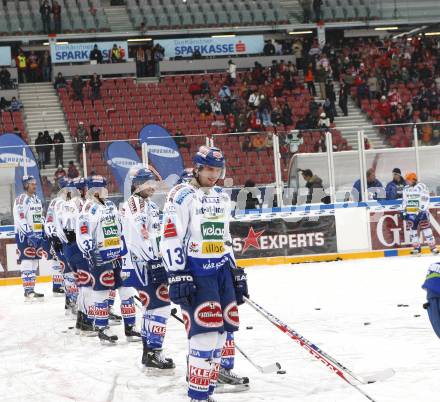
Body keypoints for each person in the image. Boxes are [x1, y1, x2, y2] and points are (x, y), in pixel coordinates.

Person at [160, 146, 249, 401]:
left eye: (218, 170)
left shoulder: (221, 195)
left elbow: (224, 236)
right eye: (209, 169)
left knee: (222, 335)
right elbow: (169, 237)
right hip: (196, 273)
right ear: (197, 168)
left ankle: (206, 393)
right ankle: (197, 397)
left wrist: (234, 270)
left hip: (220, 271)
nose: (214, 174)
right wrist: (177, 273)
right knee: (205, 335)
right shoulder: (181, 194)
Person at [121, 168, 175, 362]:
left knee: (152, 307)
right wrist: (153, 259)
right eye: (147, 182)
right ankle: (153, 351)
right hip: (143, 263)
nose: (152, 186)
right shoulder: (136, 203)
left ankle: (149, 351)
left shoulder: (147, 203)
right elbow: (141, 233)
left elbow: (153, 235)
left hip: (147, 262)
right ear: (137, 185)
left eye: (152, 182)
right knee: (160, 306)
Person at [76, 175, 123, 343]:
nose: (106, 189)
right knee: (101, 290)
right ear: (94, 190)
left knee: (112, 288)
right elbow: (82, 231)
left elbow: (118, 226)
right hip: (99, 255)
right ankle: (101, 327)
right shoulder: (89, 207)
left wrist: (120, 248)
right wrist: (89, 249)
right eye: (103, 187)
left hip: (114, 254)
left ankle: (104, 322)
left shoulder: (110, 205)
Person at [13, 176, 45, 300]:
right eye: (32, 184)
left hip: (37, 235)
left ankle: (31, 288)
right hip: (25, 235)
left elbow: (39, 217)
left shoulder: (36, 199)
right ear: (26, 185)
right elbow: (20, 218)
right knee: (27, 260)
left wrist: (43, 230)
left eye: (35, 184)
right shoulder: (21, 199)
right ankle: (28, 291)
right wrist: (29, 233)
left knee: (34, 262)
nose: (34, 186)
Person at [401, 173, 438, 255]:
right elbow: (404, 200)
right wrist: (403, 210)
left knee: (427, 230)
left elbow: (425, 198)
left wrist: (421, 209)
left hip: (421, 212)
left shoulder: (422, 186)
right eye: (406, 180)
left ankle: (433, 248)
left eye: (408, 180)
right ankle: (416, 248)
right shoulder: (406, 188)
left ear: (414, 179)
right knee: (412, 231)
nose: (407, 182)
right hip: (410, 213)